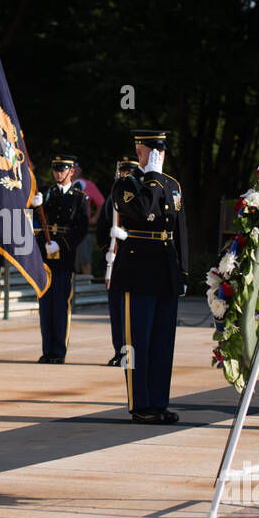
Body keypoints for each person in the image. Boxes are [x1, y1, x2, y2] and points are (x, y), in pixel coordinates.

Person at [110, 129, 188, 424]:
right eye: (151, 149)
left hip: (165, 269)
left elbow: (180, 229)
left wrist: (182, 272)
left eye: (161, 150)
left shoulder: (172, 184)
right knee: (137, 341)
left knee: (162, 342)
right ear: (139, 150)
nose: (158, 155)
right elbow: (142, 210)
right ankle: (140, 404)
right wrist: (152, 177)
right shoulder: (127, 183)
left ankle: (159, 402)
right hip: (138, 270)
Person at [33, 154, 88, 363]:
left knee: (60, 305)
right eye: (56, 169)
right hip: (45, 255)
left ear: (71, 171)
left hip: (64, 256)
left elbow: (81, 229)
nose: (58, 173)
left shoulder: (79, 197)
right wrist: (34, 205)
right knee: (45, 305)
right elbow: (34, 219)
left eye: (62, 169)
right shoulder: (45, 194)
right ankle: (47, 349)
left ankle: (58, 351)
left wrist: (62, 244)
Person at [97, 155, 139, 366]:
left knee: (132, 312)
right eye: (123, 172)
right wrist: (107, 251)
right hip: (115, 261)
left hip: (134, 261)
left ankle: (129, 353)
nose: (126, 176)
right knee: (116, 311)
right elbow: (101, 229)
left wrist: (128, 236)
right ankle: (118, 350)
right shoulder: (111, 200)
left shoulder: (141, 198)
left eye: (129, 172)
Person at [72, 161, 105, 276]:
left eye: (75, 168)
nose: (74, 171)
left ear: (80, 170)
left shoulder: (87, 185)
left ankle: (87, 288)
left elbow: (101, 202)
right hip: (68, 228)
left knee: (84, 260)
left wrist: (95, 218)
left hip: (83, 228)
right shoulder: (63, 185)